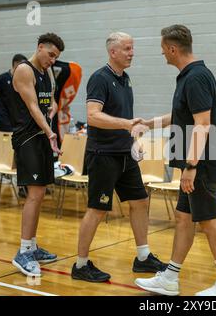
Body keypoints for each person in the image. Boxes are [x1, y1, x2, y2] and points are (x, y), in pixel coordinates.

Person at [134, 24, 216, 296]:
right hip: (194, 164)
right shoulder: (191, 76)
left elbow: (202, 125)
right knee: (183, 219)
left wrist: (191, 167)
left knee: (210, 222)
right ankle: (170, 278)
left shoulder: (194, 77)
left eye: (163, 51)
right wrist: (149, 123)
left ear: (172, 49)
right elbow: (182, 116)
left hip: (201, 165)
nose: (163, 56)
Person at [71, 32, 167, 283]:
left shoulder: (126, 79)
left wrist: (134, 140)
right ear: (112, 52)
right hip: (103, 155)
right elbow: (93, 116)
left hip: (125, 154)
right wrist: (126, 124)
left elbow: (126, 117)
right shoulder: (99, 78)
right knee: (97, 209)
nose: (131, 52)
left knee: (139, 201)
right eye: (126, 48)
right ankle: (80, 265)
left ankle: (143, 258)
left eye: (132, 48)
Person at [11, 33, 64, 277]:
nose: (52, 60)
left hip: (43, 137)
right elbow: (32, 107)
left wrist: (53, 108)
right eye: (50, 54)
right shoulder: (24, 70)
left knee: (40, 193)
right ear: (40, 47)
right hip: (28, 139)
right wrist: (50, 131)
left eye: (56, 57)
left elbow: (49, 100)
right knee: (34, 194)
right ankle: (23, 251)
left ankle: (31, 246)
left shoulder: (47, 72)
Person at [0, 54, 27, 131]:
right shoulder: (2, 78)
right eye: (23, 65)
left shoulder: (22, 80)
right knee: (5, 142)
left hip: (19, 121)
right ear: (16, 64)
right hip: (4, 120)